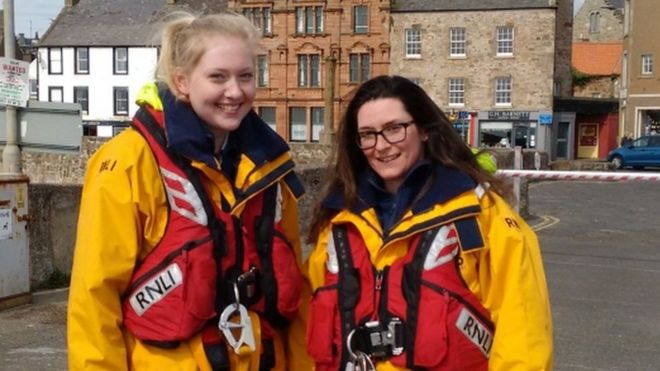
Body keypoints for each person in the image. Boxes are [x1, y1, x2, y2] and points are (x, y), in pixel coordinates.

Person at [67, 12, 307, 370]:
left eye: (246, 76)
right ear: (182, 81)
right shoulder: (128, 162)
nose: (235, 92)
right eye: (217, 77)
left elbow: (296, 294)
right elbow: (94, 298)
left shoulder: (269, 166)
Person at [304, 75, 553, 370]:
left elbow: (523, 336)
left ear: (423, 129)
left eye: (394, 129)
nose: (381, 146)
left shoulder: (482, 215)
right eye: (368, 134)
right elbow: (308, 320)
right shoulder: (338, 223)